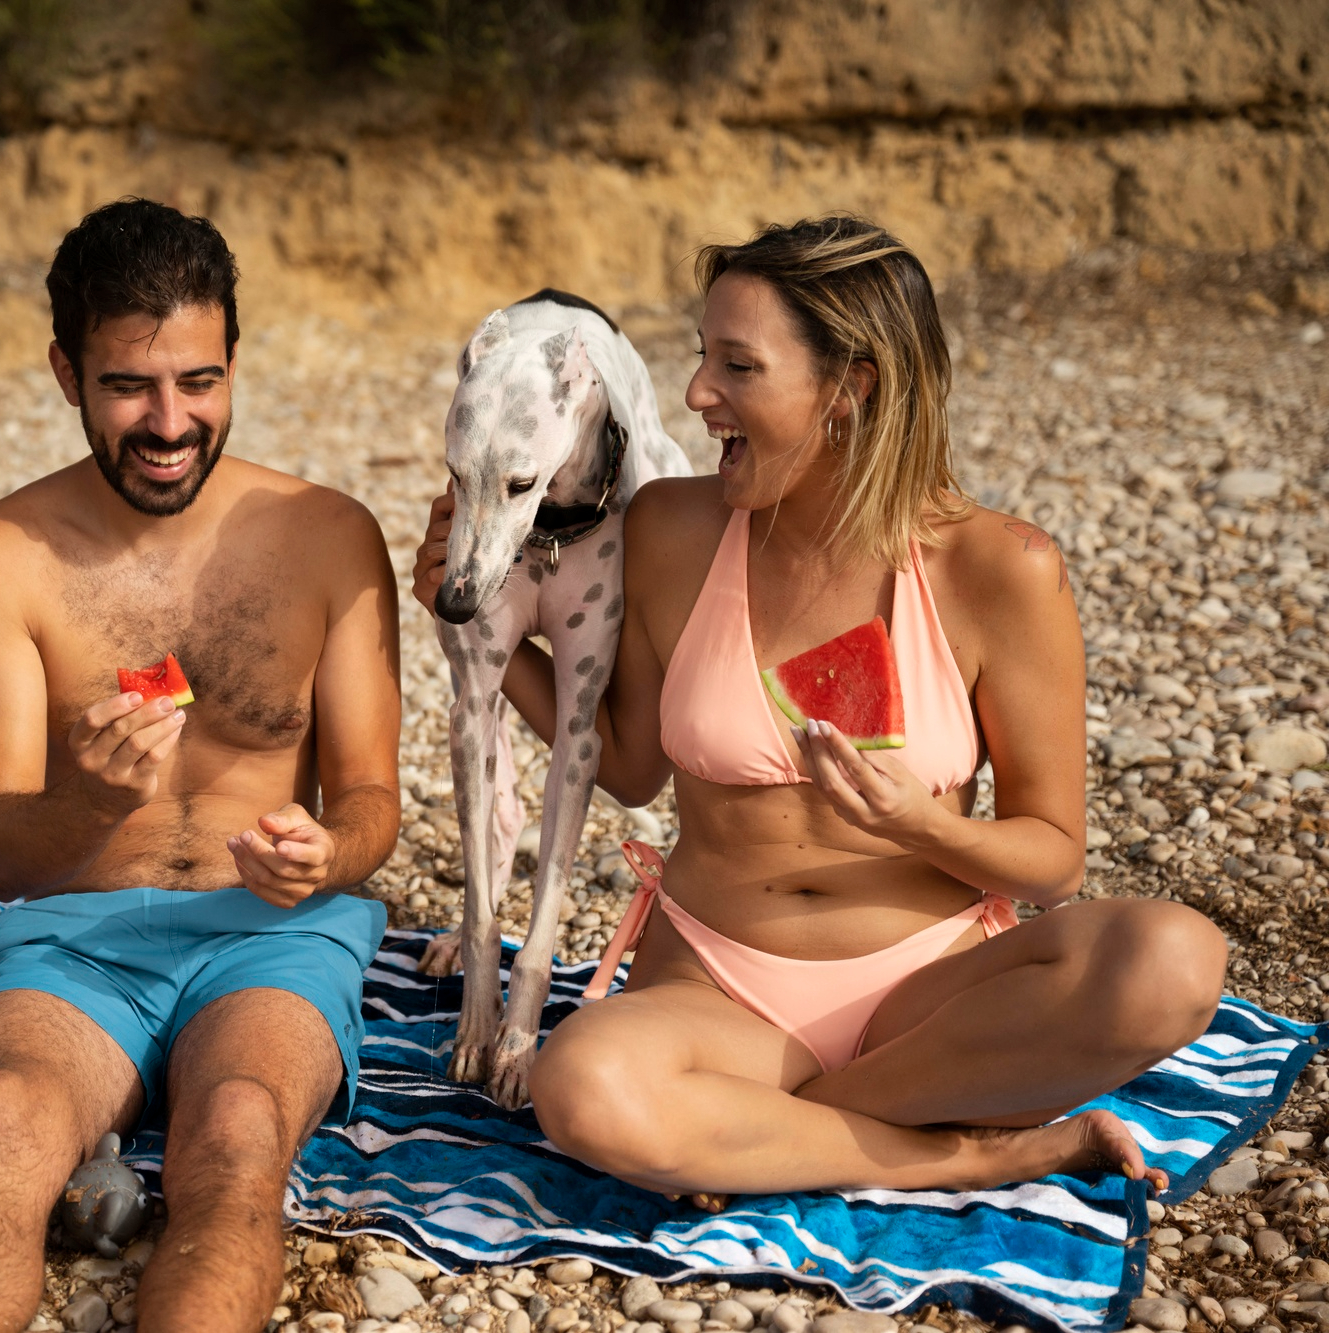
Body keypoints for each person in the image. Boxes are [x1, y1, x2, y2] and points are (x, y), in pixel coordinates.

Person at [412, 216, 1228, 1197]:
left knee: (1174, 958)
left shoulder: (999, 568)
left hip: (930, 997)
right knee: (581, 1086)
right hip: (715, 991)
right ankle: (975, 1151)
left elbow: (1053, 858)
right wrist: (477, 627)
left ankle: (771, 1133)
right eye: (700, 356)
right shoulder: (670, 527)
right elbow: (625, 766)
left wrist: (923, 824)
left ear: (850, 387)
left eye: (736, 366)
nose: (695, 393)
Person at [0, 198, 402, 1333]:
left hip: (273, 933)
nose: (170, 424)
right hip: (71, 940)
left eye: (199, 382)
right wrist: (86, 800)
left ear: (233, 364)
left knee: (236, 1131)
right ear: (66, 374)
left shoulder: (330, 535)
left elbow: (373, 800)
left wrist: (325, 854)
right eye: (128, 386)